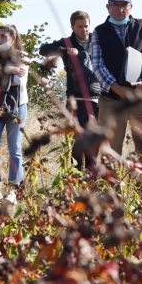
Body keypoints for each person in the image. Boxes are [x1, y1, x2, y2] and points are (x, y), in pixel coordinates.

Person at [90, 0, 142, 156]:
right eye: (115, 5)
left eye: (124, 5)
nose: (120, 9)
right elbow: (97, 64)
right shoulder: (99, 32)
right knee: (111, 153)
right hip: (112, 100)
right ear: (108, 7)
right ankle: (113, 183)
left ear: (131, 7)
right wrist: (117, 88)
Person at [39, 11, 101, 168]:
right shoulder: (67, 42)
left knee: (95, 143)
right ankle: (77, 179)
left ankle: (92, 179)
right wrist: (65, 50)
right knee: (78, 142)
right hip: (77, 101)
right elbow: (43, 50)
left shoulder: (98, 40)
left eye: (86, 26)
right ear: (72, 27)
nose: (84, 30)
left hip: (99, 99)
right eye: (80, 27)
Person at [0, 24, 28, 204]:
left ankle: (14, 188)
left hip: (17, 106)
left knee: (14, 148)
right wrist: (9, 70)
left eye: (3, 36)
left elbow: (19, 79)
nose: (0, 39)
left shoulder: (22, 57)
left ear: (13, 37)